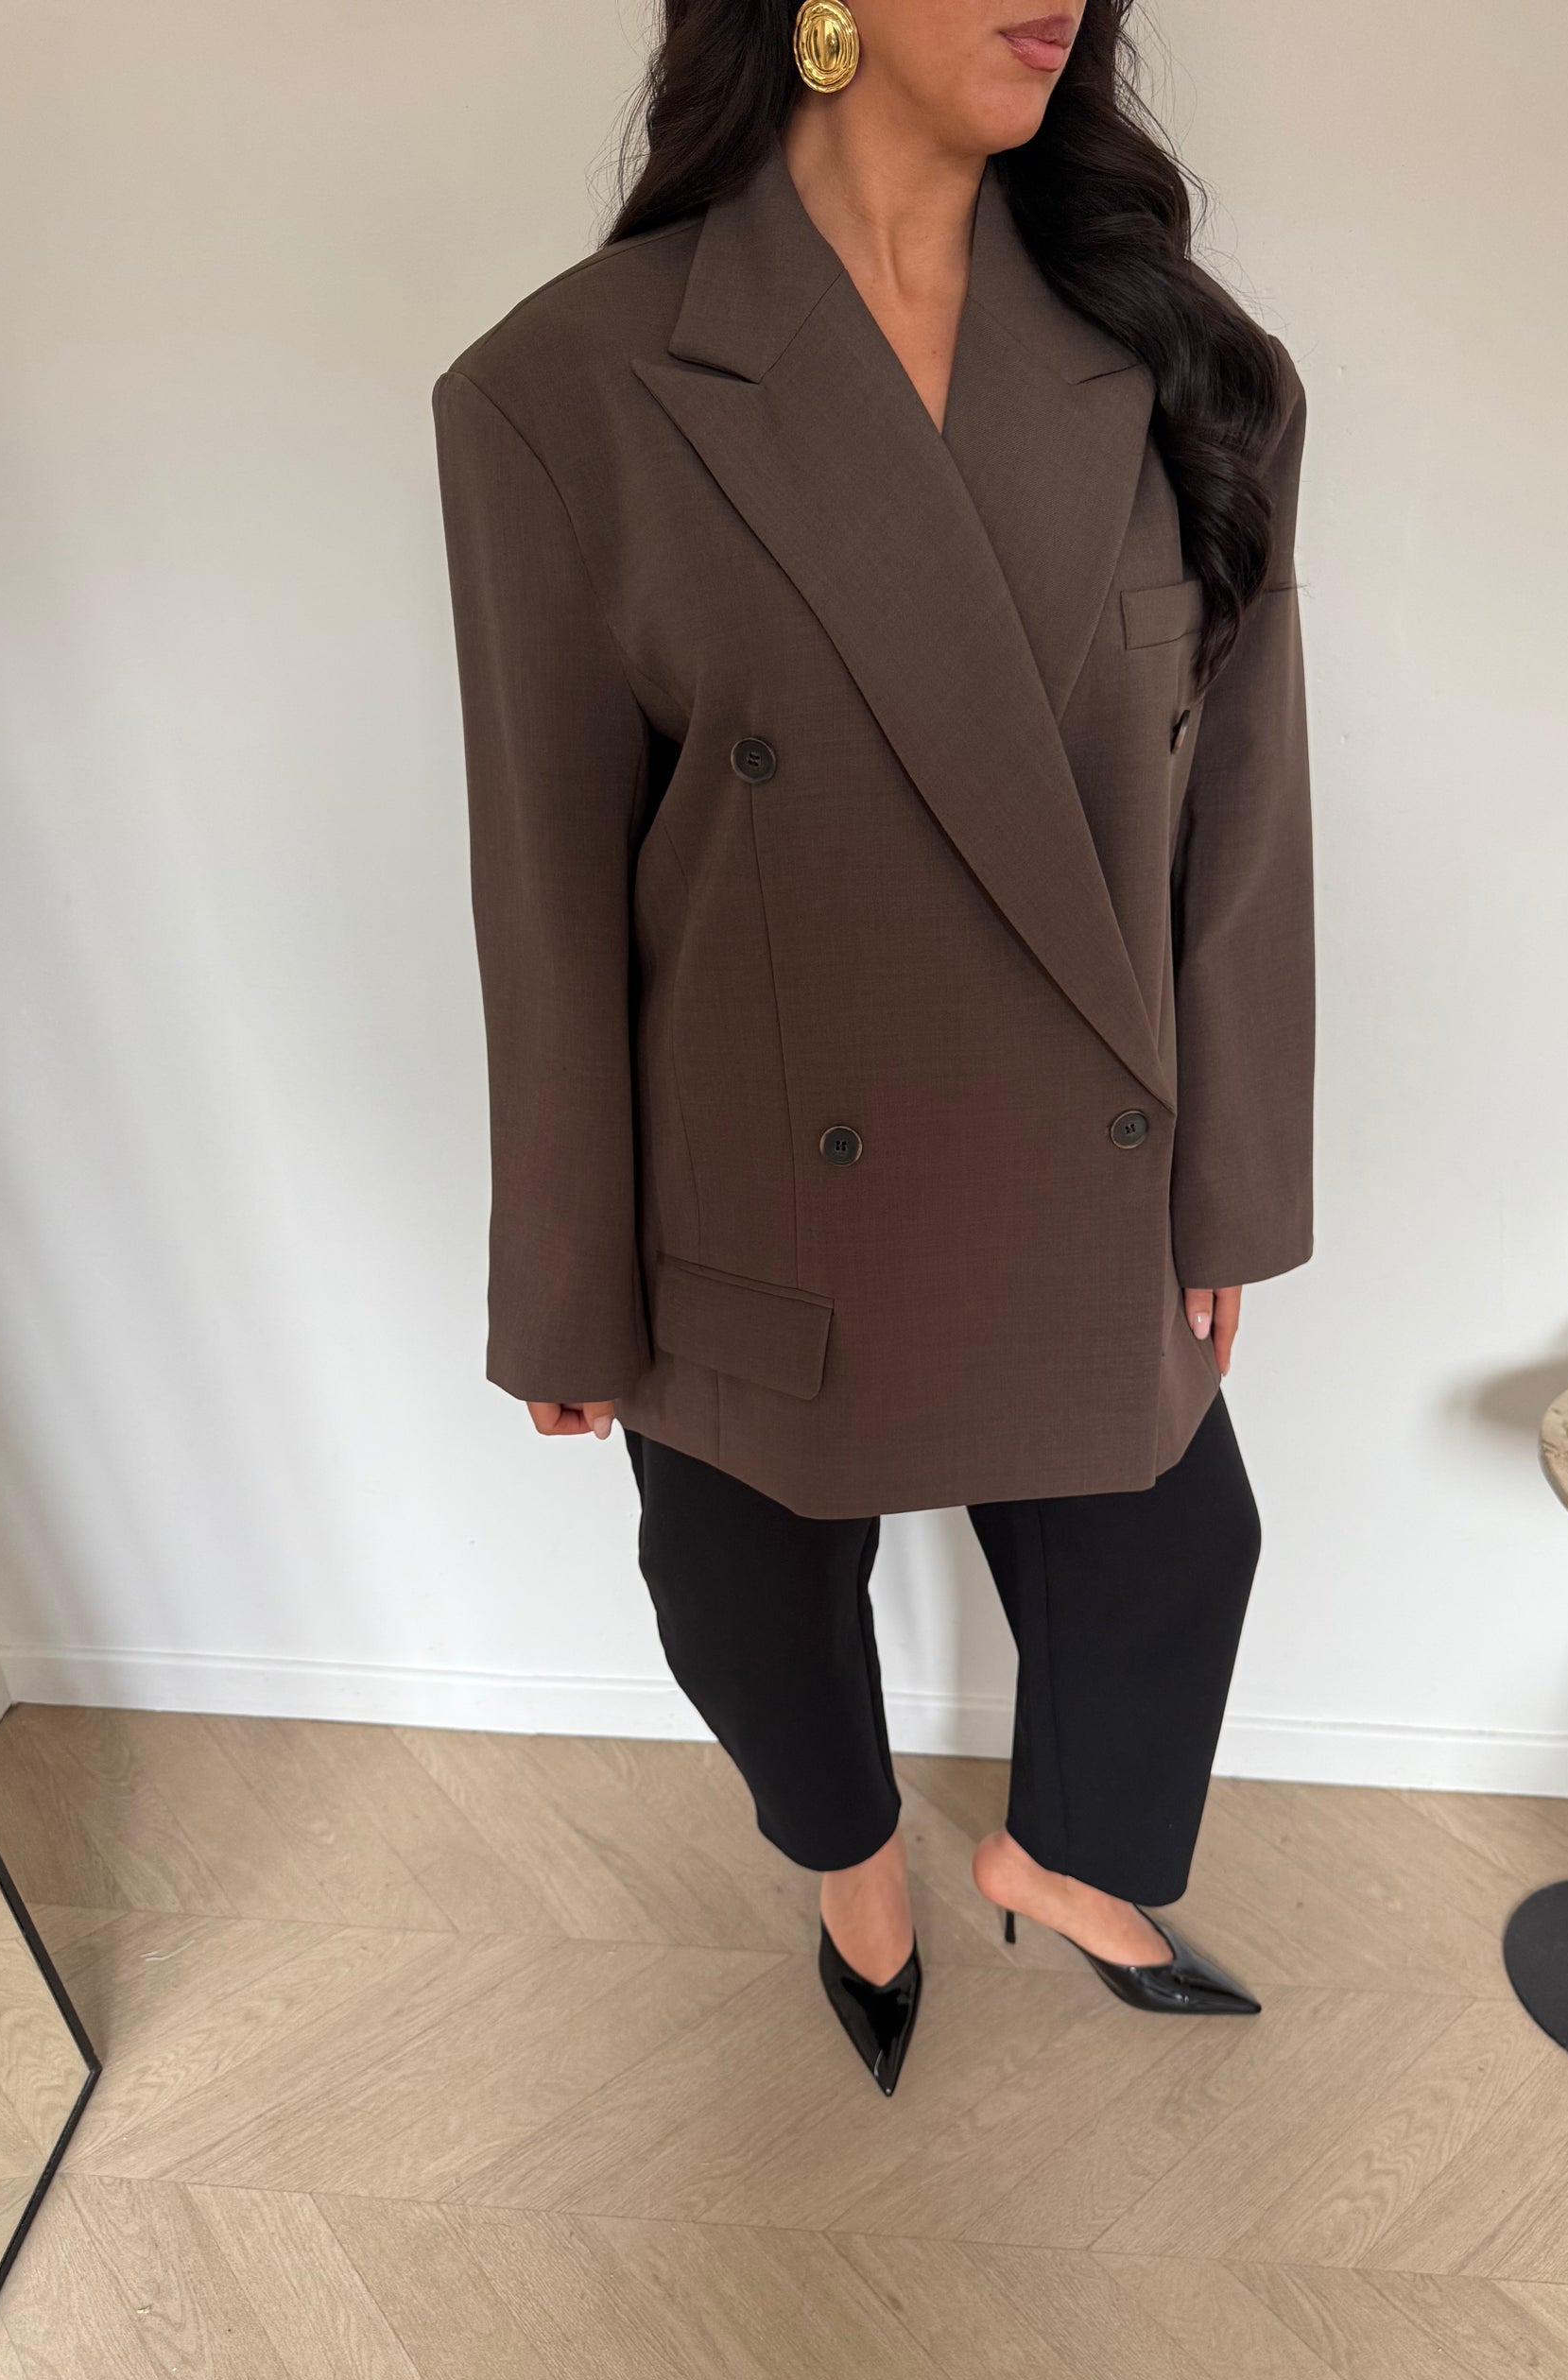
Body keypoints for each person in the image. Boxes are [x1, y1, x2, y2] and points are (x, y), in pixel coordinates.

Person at [432, 0, 1313, 2095]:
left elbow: (1238, 819)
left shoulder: (1190, 367)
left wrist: (1229, 1190)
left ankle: (1056, 1855)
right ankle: (852, 1867)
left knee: (1177, 1552)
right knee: (748, 1602)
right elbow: (545, 887)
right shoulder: (562, 391)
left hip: (1081, 1156)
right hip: (755, 1175)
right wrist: (564, 1278)